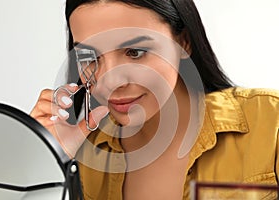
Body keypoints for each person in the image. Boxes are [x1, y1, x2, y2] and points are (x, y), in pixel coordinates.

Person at [30, 0, 279, 199]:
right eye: (89, 57)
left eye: (135, 52)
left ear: (183, 41)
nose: (110, 81)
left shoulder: (271, 125)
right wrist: (44, 157)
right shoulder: (81, 157)